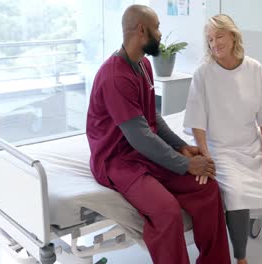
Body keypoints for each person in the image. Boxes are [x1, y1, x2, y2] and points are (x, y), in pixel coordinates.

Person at [86, 5, 231, 264]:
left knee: (208, 189)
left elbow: (152, 118)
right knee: (166, 211)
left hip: (144, 152)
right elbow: (139, 137)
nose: (161, 33)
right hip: (117, 161)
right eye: (158, 27)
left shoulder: (142, 64)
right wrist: (186, 164)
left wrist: (181, 146)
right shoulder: (115, 77)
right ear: (142, 30)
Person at [183, 14, 262, 264]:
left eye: (219, 36)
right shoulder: (203, 74)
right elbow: (197, 121)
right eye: (210, 39)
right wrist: (205, 156)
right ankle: (241, 260)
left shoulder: (254, 69)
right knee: (235, 197)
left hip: (252, 149)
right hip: (222, 153)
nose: (214, 43)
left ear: (233, 35)